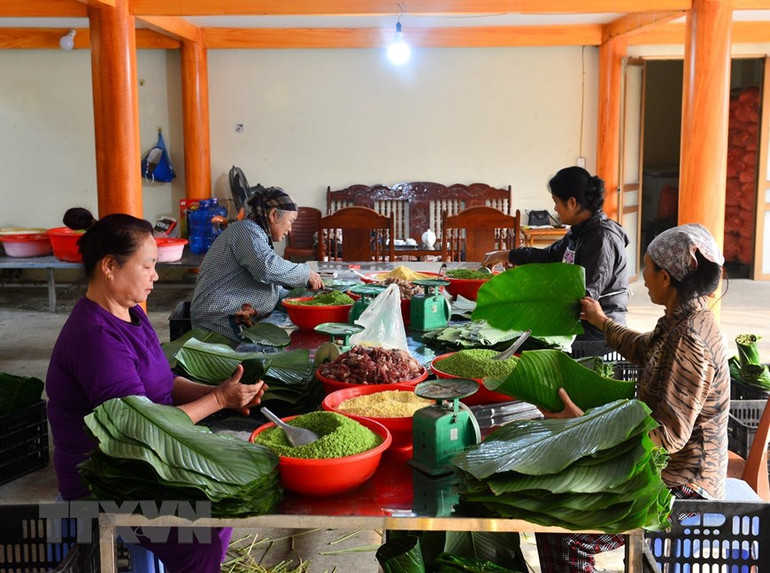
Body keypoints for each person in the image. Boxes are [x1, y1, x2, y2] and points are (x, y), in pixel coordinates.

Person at [46, 207, 268, 572]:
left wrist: (222, 391)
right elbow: (140, 430)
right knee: (204, 527)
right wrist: (216, 401)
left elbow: (163, 383)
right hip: (110, 477)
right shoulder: (95, 337)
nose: (156, 275)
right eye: (147, 265)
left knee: (232, 493)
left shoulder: (131, 312)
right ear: (109, 266)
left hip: (146, 460)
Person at [535, 222, 729, 573]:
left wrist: (586, 426)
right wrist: (601, 320)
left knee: (566, 535)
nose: (642, 276)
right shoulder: (681, 320)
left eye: (647, 268)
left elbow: (668, 436)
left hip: (683, 486)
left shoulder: (691, 340)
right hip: (659, 470)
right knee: (554, 505)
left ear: (666, 278)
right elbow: (645, 349)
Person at [481, 166, 629, 341]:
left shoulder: (602, 240)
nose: (555, 208)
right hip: (574, 322)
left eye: (556, 201)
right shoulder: (578, 232)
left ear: (572, 203)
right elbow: (548, 257)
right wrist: (506, 255)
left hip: (595, 331)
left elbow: (585, 299)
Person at [191, 186, 324, 341]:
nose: (290, 228)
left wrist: (311, 296)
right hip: (218, 320)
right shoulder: (246, 230)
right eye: (290, 221)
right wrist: (306, 273)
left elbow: (273, 289)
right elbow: (266, 268)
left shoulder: (258, 236)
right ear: (274, 215)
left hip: (234, 317)